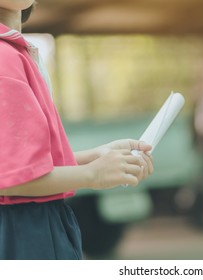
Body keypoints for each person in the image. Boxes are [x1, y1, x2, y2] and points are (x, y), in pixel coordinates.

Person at [0, 0, 154, 259]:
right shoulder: (5, 57)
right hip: (22, 229)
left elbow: (23, 166)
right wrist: (92, 174)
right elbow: (11, 178)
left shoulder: (17, 52)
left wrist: (95, 155)